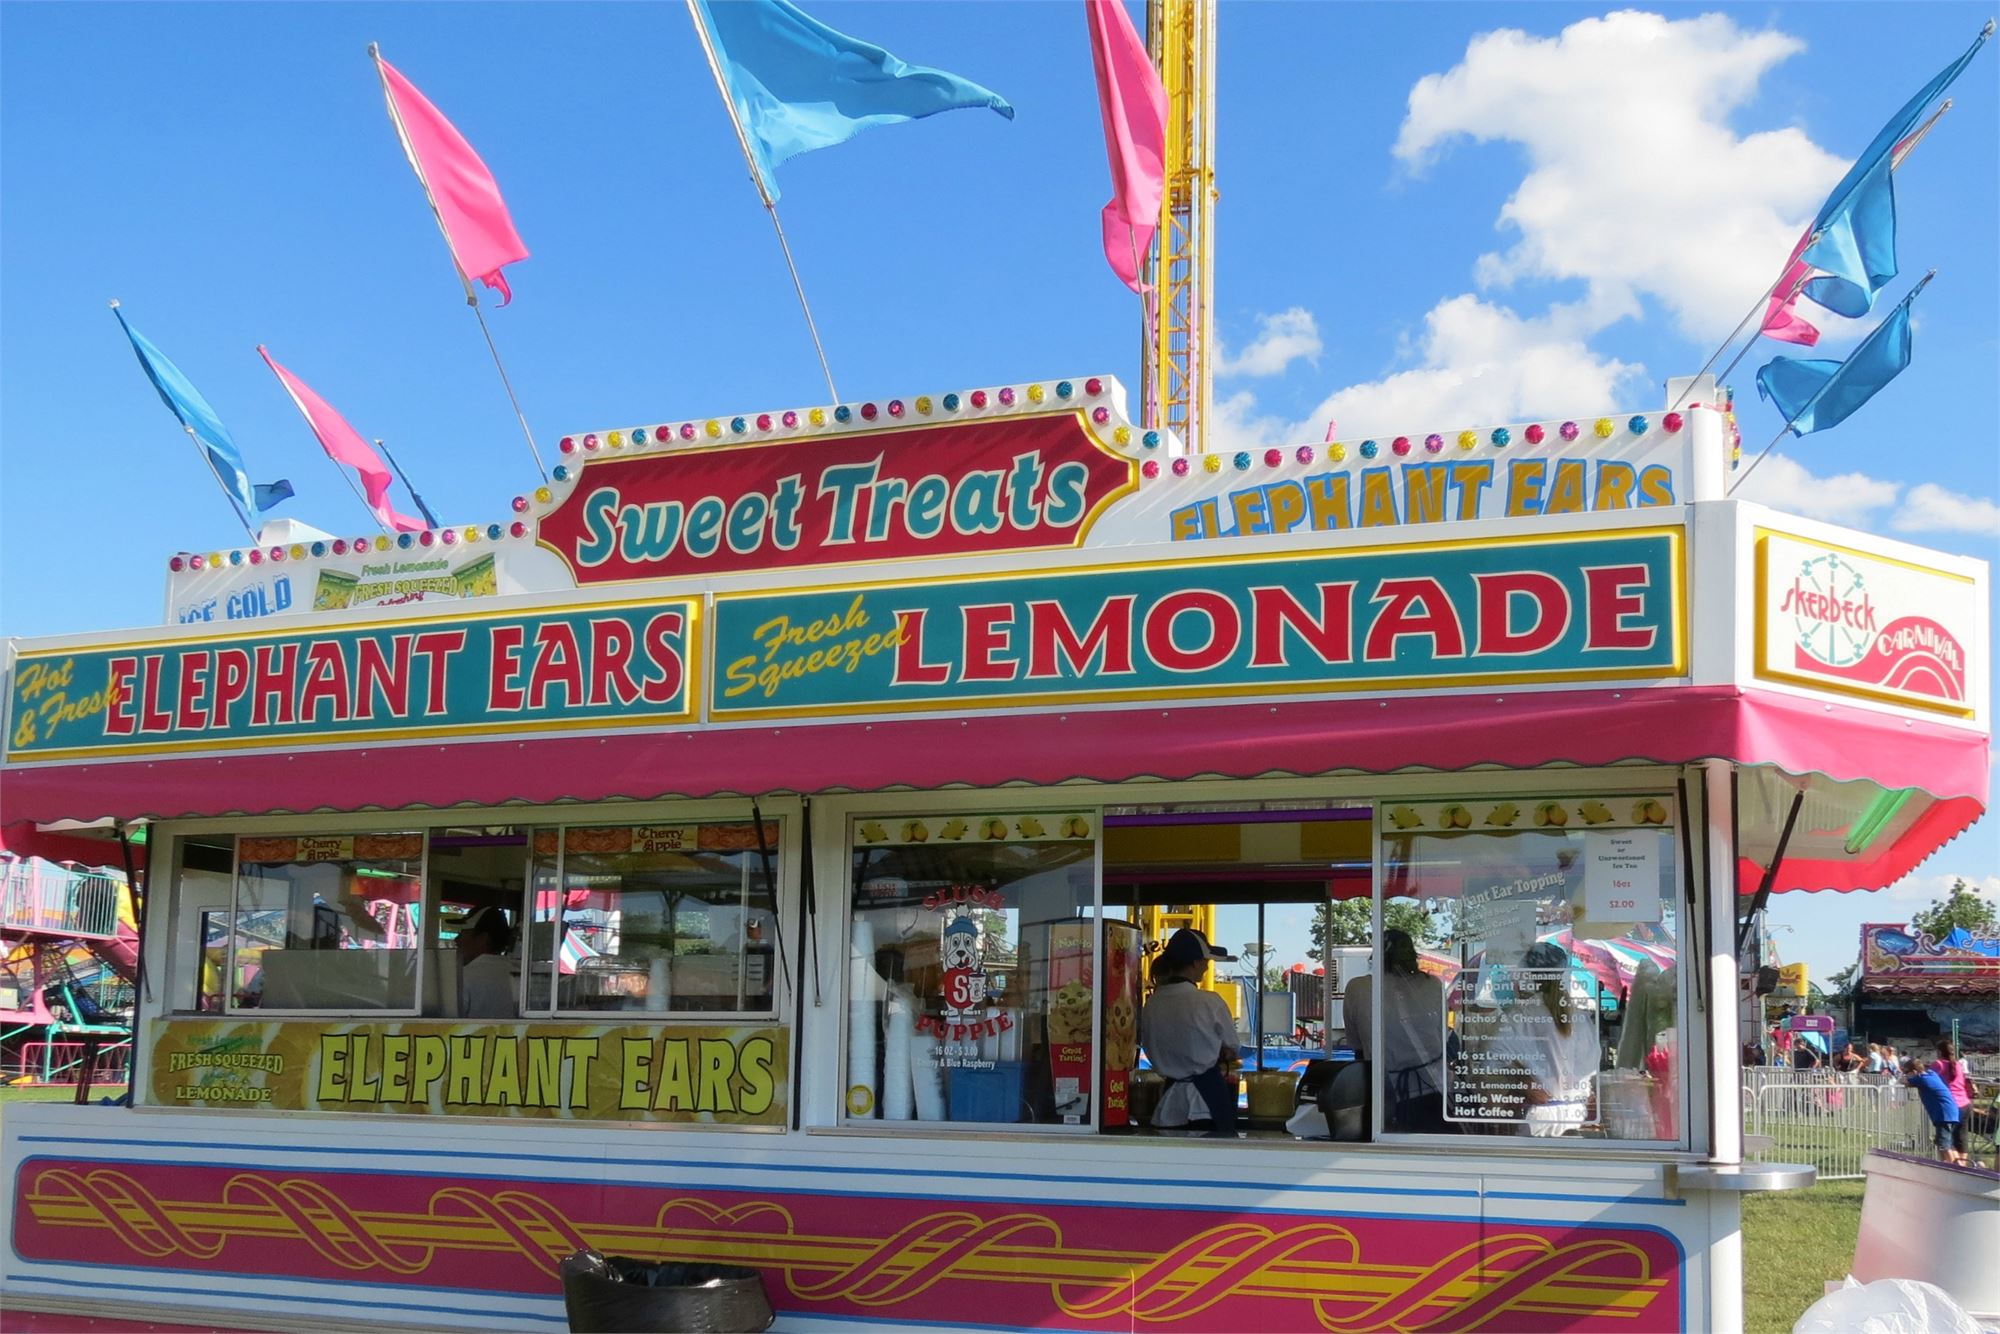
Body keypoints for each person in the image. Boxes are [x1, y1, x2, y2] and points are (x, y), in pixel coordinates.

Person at [1494, 942, 1602, 1137]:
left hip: (1537, 1120)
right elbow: (1591, 1065)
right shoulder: (1580, 1016)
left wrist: (1522, 1080)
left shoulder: (1519, 1015)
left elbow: (1491, 1062)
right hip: (1576, 1115)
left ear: (1528, 973)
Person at [1139, 928, 1240, 1137]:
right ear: (1195, 963)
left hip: (1168, 1105)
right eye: (1206, 961)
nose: (1207, 966)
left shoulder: (1151, 1005)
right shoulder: (1209, 1002)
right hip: (1207, 1102)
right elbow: (1232, 1047)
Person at [1344, 929, 1448, 1132]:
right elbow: (1441, 1035)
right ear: (1412, 954)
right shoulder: (1433, 986)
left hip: (1385, 1094)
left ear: (1378, 955)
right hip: (1434, 1088)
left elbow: (1358, 1048)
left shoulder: (1359, 988)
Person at [454, 906, 520, 1019]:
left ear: (483, 938)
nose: (456, 940)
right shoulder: (519, 974)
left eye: (463, 933)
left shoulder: (463, 977)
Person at [1903, 1057, 1965, 1166]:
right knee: (1947, 1143)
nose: (1905, 1074)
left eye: (1906, 1072)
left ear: (1914, 1072)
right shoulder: (1931, 1074)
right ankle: (1958, 1166)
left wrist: (1904, 1078)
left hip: (1943, 1115)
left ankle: (1954, 1169)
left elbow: (1905, 1082)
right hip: (1951, 1112)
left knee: (1944, 1144)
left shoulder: (1921, 1079)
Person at [1930, 1040, 1974, 1163]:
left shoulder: (1938, 1064)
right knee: (1961, 1137)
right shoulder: (1958, 1065)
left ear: (1939, 1052)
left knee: (1945, 1139)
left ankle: (1957, 1167)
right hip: (1965, 1103)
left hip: (1950, 1106)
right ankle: (1963, 1166)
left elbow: (1927, 1078)